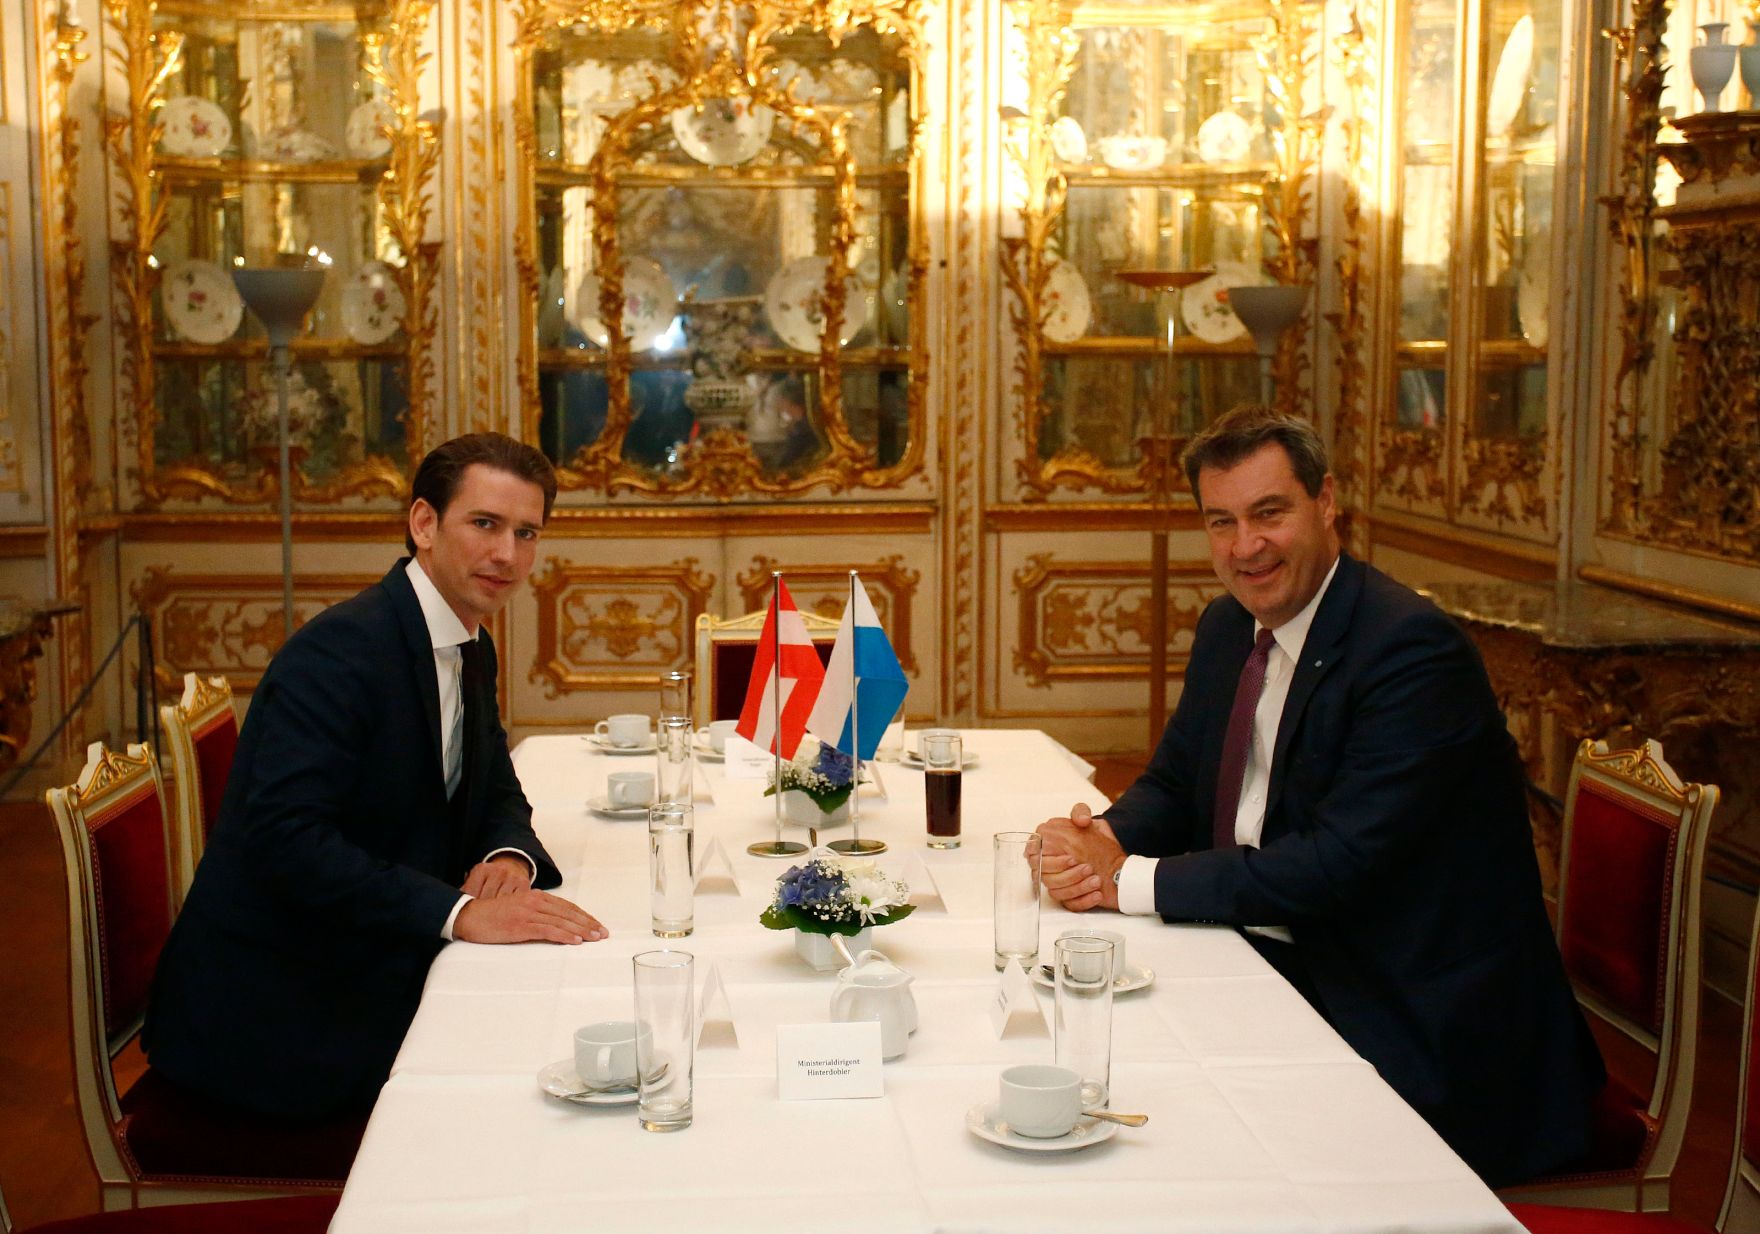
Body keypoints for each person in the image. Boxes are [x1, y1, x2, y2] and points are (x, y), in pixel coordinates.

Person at [1036, 405, 1604, 1188]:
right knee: (1089, 1052)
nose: (1246, 547)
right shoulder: (1229, 626)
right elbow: (1173, 781)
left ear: (1327, 501)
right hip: (1287, 960)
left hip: (1418, 1021)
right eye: (1222, 522)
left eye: (1270, 513)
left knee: (1177, 1134)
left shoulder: (1409, 650)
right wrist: (1099, 833)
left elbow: (1339, 865)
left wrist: (1122, 880)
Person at [145, 433, 608, 1121]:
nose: (508, 555)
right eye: (484, 524)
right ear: (424, 523)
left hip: (362, 955)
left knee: (558, 1017)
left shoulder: (466, 637)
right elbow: (287, 843)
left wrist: (507, 852)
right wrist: (459, 913)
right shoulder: (341, 654)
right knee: (528, 1087)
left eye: (526, 532)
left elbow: (494, 780)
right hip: (281, 1011)